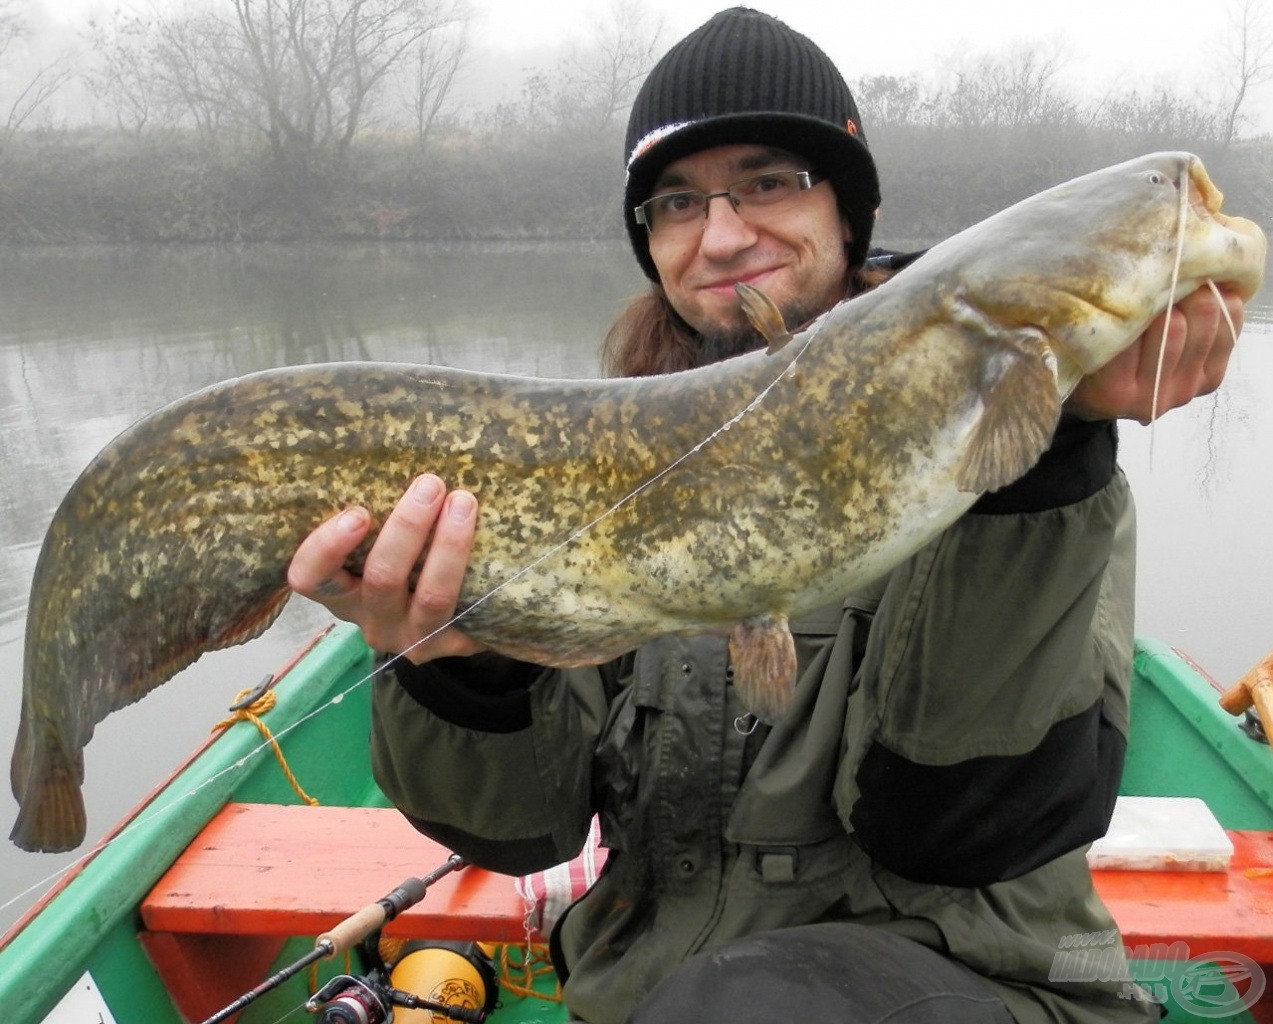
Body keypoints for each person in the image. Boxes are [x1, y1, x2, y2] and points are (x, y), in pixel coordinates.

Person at [288, 8, 1245, 1023]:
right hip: (660, 997)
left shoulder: (1024, 460)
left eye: (769, 180)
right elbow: (521, 836)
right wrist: (467, 676)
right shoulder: (606, 469)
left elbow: (962, 828)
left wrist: (1043, 458)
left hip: (985, 990)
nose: (723, 234)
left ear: (847, 210)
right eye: (674, 202)